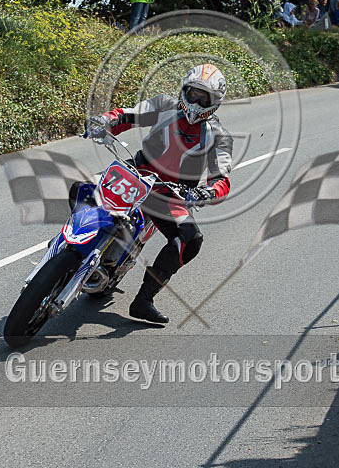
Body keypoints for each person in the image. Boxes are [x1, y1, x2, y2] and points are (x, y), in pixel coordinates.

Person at [84, 64, 233, 324]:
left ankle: (144, 300)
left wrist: (205, 193)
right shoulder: (165, 105)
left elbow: (222, 178)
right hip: (137, 173)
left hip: (172, 193)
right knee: (84, 188)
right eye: (193, 93)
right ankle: (67, 244)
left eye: (204, 97)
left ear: (215, 102)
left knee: (191, 239)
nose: (196, 101)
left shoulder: (219, 135)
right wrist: (104, 121)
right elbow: (128, 115)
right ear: (184, 90)